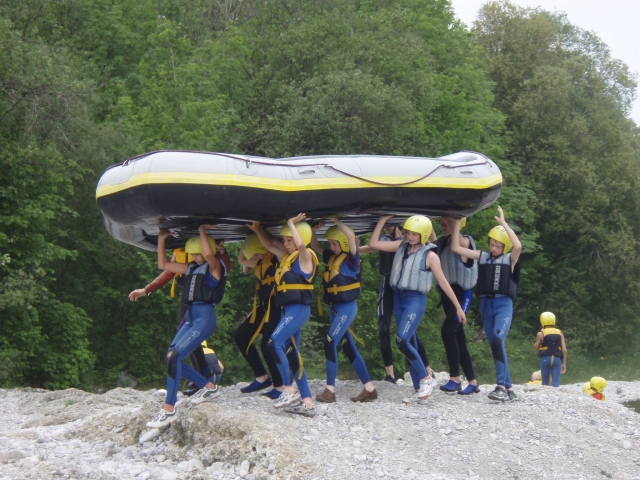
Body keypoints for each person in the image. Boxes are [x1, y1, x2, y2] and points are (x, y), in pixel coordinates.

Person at [369, 215, 467, 404]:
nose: (410, 236)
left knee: (402, 340)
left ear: (423, 234)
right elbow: (374, 242)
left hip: (415, 300)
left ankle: (426, 378)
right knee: (410, 341)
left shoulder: (430, 255)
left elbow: (444, 283)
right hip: (399, 298)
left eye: (414, 234)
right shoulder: (401, 246)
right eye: (408, 233)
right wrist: (383, 219)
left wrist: (458, 308)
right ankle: (418, 388)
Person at [146, 225, 226, 429]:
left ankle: (168, 409)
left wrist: (200, 229)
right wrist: (162, 239)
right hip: (191, 317)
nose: (196, 257)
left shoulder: (215, 265)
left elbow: (209, 253)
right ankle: (209, 387)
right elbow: (163, 263)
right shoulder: (191, 267)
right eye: (193, 253)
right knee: (170, 356)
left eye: (199, 253)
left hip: (205, 318)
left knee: (175, 357)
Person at [129, 244, 231, 394]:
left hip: (202, 306)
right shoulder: (182, 252)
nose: (194, 256)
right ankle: (202, 379)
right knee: (179, 349)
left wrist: (222, 253)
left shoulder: (207, 254)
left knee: (185, 348)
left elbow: (223, 269)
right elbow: (169, 271)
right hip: (188, 303)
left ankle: (204, 376)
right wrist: (146, 290)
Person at [248, 214, 318, 417]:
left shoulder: (306, 256)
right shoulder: (287, 258)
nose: (285, 244)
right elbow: (269, 245)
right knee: (291, 354)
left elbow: (302, 246)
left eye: (289, 240)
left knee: (273, 343)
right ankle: (307, 403)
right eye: (285, 240)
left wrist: (290, 223)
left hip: (298, 310)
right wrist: (257, 231)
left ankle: (289, 389)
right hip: (288, 310)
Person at [451, 206, 522, 402]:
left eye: (497, 245)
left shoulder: (510, 259)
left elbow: (518, 247)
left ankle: (500, 385)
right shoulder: (483, 256)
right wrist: (458, 221)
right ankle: (508, 388)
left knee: (498, 340)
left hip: (503, 305)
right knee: (495, 345)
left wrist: (504, 224)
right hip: (486, 305)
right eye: (491, 244)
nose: (493, 248)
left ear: (504, 247)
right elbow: (456, 248)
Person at [310, 219, 377, 403]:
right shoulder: (331, 257)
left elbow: (351, 236)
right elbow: (314, 244)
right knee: (347, 347)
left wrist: (336, 219)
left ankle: (330, 391)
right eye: (330, 244)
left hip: (347, 308)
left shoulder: (352, 260)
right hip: (334, 309)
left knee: (329, 341)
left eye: (334, 244)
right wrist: (314, 230)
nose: (331, 247)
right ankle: (370, 389)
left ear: (344, 244)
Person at [365, 223, 433, 384]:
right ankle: (391, 374)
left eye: (390, 225)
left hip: (406, 289)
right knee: (383, 327)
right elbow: (369, 247)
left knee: (408, 335)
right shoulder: (391, 243)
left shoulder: (407, 245)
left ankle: (427, 372)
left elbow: (429, 246)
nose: (387, 228)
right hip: (390, 285)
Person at [235, 233, 300, 399]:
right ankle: (262, 378)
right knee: (241, 336)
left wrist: (258, 232)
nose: (256, 257)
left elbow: (272, 246)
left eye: (258, 253)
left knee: (267, 344)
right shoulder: (260, 261)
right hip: (263, 307)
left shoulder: (279, 257)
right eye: (254, 254)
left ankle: (279, 386)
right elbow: (242, 262)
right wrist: (246, 241)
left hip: (277, 307)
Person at [431, 217, 480, 395]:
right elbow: (431, 242)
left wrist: (455, 218)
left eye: (447, 224)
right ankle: (473, 382)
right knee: (458, 338)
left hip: (462, 295)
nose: (444, 227)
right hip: (447, 296)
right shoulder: (443, 243)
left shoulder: (464, 241)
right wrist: (429, 219)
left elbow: (457, 241)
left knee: (447, 331)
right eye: (442, 224)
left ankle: (455, 378)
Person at [533, 312, 567, 387]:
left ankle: (545, 396)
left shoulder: (541, 333)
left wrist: (538, 338)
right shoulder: (560, 332)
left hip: (545, 358)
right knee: (555, 383)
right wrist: (564, 363)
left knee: (545, 383)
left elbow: (536, 348)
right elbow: (564, 350)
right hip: (557, 359)